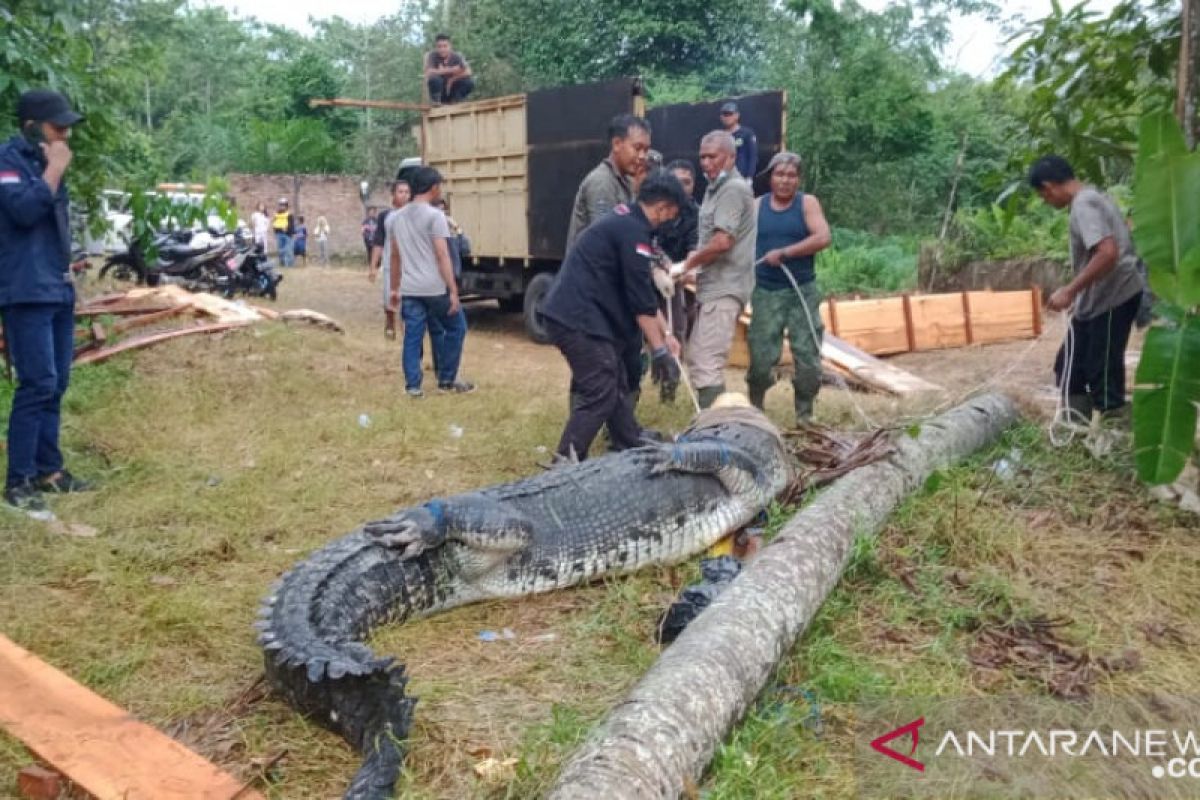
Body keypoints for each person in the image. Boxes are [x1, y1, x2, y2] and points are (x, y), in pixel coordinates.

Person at [540, 173, 686, 461]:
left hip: (585, 315)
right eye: (672, 213)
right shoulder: (632, 232)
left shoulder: (629, 223)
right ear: (663, 207)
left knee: (616, 379)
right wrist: (658, 351)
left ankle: (628, 439)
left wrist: (666, 335)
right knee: (601, 390)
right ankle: (565, 460)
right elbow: (639, 302)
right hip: (575, 318)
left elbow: (640, 289)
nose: (670, 220)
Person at [0, 89, 93, 518]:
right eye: (58, 127)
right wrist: (54, 170)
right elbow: (22, 212)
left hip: (56, 286)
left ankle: (49, 471)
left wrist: (69, 265)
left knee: (56, 385)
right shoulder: (9, 163)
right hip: (24, 291)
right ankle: (17, 483)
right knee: (36, 384)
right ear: (32, 125)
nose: (65, 134)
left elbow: (52, 224)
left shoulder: (44, 164)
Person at [1029, 155, 1145, 421]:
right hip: (1095, 301)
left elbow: (1108, 253)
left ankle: (1115, 440)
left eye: (1043, 196)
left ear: (1049, 187)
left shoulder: (1085, 204)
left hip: (1114, 297)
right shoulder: (1092, 198)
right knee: (1069, 367)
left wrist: (1070, 290)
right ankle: (1074, 433)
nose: (1047, 201)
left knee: (1102, 374)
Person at [746, 152, 832, 422]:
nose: (785, 180)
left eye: (791, 175)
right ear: (770, 178)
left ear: (798, 179)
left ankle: (804, 417)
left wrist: (785, 252)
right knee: (761, 359)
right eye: (779, 174)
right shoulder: (757, 206)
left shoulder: (807, 204)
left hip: (801, 292)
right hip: (765, 292)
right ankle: (755, 412)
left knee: (807, 358)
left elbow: (823, 237)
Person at [677, 130, 757, 409]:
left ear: (731, 157)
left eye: (713, 156)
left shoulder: (732, 189)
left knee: (707, 361)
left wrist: (688, 264)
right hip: (714, 285)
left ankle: (718, 428)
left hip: (726, 286)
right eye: (702, 157)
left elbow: (723, 241)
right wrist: (693, 270)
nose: (706, 163)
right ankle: (715, 422)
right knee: (700, 357)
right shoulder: (715, 189)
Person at [387, 167, 475, 397]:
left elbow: (395, 256)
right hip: (435, 287)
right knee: (457, 328)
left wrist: (395, 288)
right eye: (440, 186)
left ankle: (413, 387)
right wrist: (453, 291)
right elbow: (442, 254)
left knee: (412, 337)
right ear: (433, 187)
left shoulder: (397, 218)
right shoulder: (436, 216)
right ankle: (446, 378)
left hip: (410, 288)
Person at [565, 114, 651, 250]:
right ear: (616, 144)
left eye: (646, 150)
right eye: (637, 148)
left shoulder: (628, 180)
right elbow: (606, 239)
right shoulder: (602, 182)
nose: (642, 156)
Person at [653, 159, 701, 402]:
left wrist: (686, 267)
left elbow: (695, 244)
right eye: (676, 182)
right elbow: (648, 241)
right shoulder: (655, 206)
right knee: (645, 329)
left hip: (679, 277)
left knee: (678, 329)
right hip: (648, 273)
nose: (682, 187)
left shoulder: (695, 212)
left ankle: (668, 388)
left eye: (687, 182)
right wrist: (662, 265)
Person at [370, 181, 411, 339]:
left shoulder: (414, 215)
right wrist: (373, 267)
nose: (404, 195)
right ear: (393, 194)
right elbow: (379, 242)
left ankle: (407, 329)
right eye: (400, 191)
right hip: (389, 264)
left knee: (407, 299)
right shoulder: (385, 216)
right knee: (389, 297)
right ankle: (390, 323)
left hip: (409, 266)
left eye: (407, 192)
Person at [424, 34, 475, 105]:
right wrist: (453, 69)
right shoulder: (432, 55)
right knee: (434, 79)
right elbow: (429, 72)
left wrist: (452, 79)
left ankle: (456, 100)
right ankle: (437, 102)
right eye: (439, 47)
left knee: (469, 82)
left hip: (452, 87)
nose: (442, 49)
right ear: (436, 47)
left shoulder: (457, 56)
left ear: (450, 46)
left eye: (445, 46)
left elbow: (468, 72)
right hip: (441, 90)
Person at [719, 101, 758, 183]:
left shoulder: (747, 133)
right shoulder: (719, 136)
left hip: (741, 177)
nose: (727, 117)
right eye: (724, 114)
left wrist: (749, 177)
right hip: (724, 177)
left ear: (737, 115)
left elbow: (753, 156)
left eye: (730, 114)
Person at [272, 197, 295, 267]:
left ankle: (289, 265)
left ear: (286, 206)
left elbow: (291, 225)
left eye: (284, 205)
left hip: (287, 235)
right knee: (280, 250)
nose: (282, 206)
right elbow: (275, 224)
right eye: (281, 205)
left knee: (288, 251)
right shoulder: (276, 215)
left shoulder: (289, 215)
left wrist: (288, 230)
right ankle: (282, 264)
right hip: (279, 234)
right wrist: (276, 231)